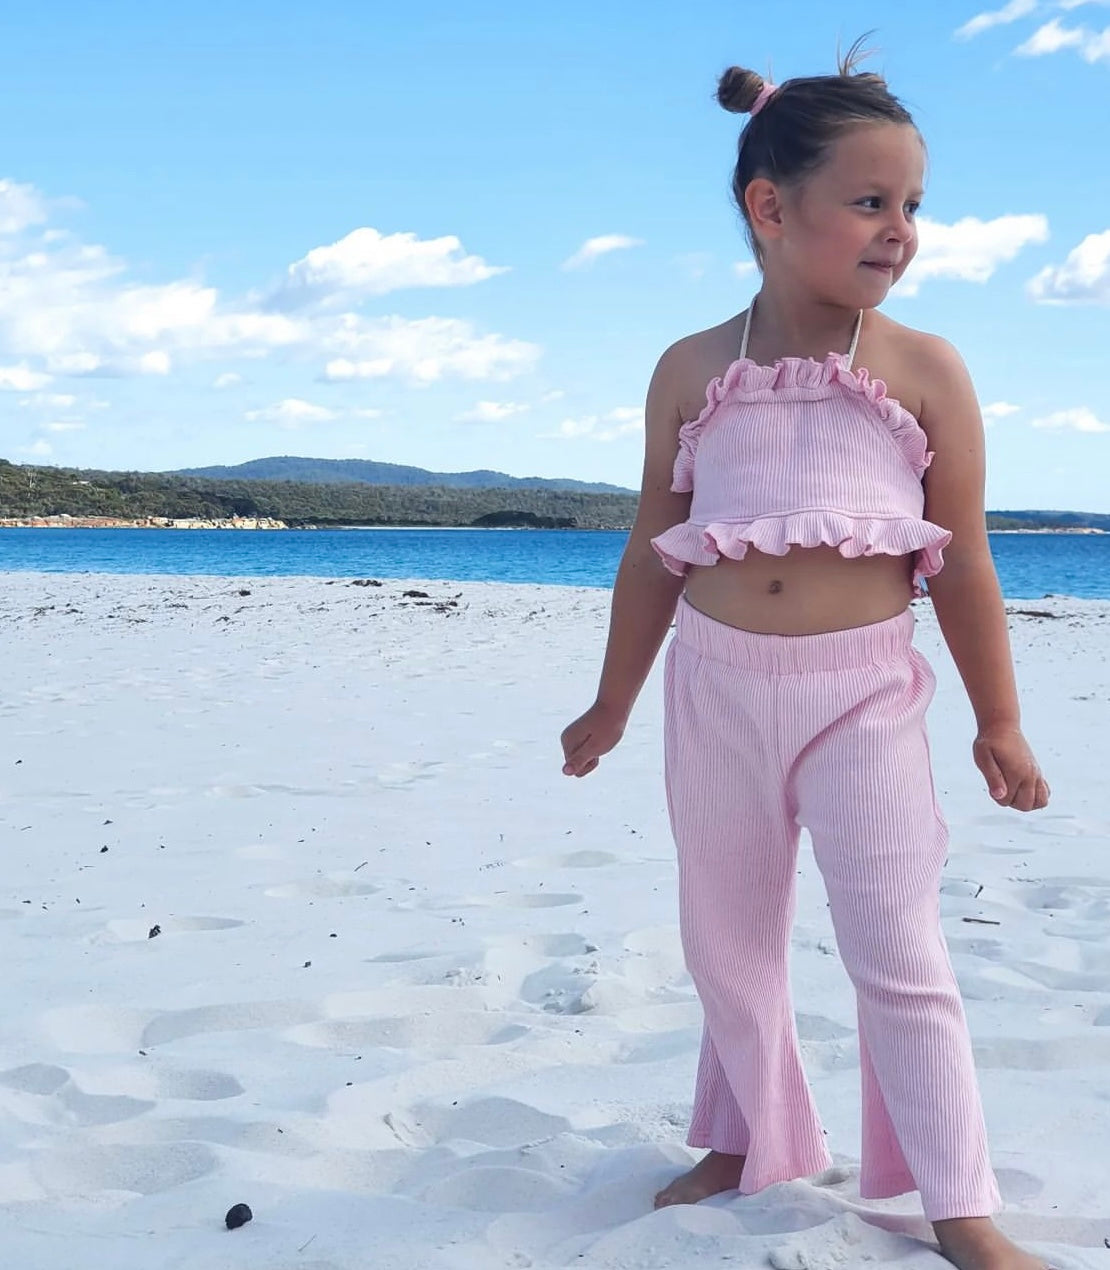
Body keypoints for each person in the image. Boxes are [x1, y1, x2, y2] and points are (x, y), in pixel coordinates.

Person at [559, 38, 1054, 1270]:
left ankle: (956, 1201)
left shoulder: (925, 371)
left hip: (864, 695)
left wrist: (998, 719)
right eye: (872, 202)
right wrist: (612, 700)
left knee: (898, 946)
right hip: (714, 688)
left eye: (914, 207)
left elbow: (967, 562)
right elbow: (649, 552)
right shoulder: (691, 368)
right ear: (770, 209)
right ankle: (745, 1139)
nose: (902, 231)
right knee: (728, 933)